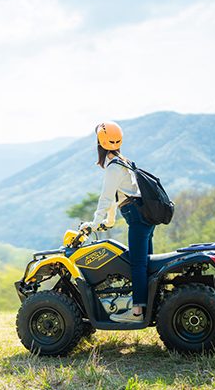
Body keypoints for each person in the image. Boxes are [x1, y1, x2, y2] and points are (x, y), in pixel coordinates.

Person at [79, 121, 155, 323]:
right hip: (144, 215)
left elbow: (106, 198)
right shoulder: (125, 161)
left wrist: (94, 224)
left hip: (137, 218)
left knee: (138, 264)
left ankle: (138, 312)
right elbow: (118, 196)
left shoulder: (113, 167)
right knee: (146, 261)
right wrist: (110, 220)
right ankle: (152, 304)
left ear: (100, 143)